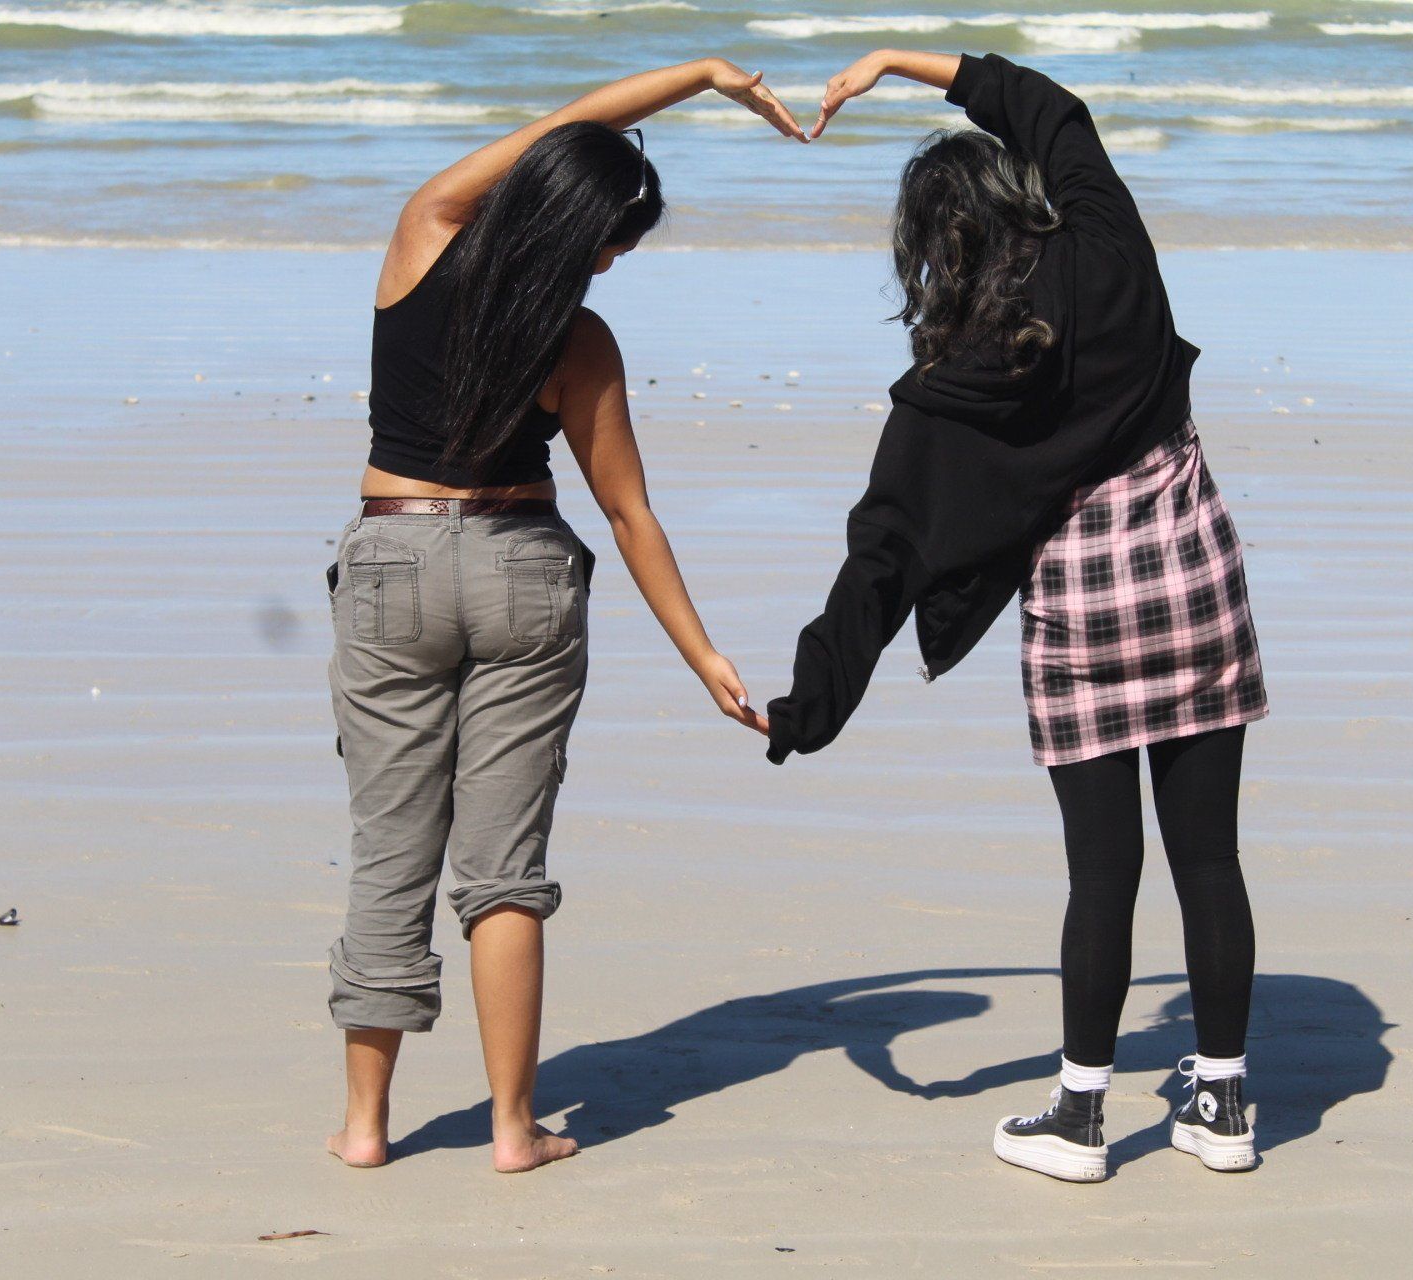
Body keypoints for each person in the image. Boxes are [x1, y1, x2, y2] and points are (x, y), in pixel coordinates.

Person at [769, 51, 1270, 1181]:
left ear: (931, 252)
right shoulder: (1107, 247)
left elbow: (882, 556)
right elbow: (1058, 109)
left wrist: (809, 703)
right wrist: (912, 61)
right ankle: (1225, 1103)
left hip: (1086, 620)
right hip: (1193, 581)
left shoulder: (950, 386)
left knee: (1104, 872)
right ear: (1023, 194)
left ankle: (1085, 1114)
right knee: (1210, 858)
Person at [324, 59, 797, 1174]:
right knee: (504, 868)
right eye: (616, 238)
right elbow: (628, 513)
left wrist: (700, 79)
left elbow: (560, 126)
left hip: (391, 556)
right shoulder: (578, 341)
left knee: (390, 849)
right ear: (583, 229)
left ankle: (363, 1126)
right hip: (523, 575)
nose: (615, 258)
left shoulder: (424, 232)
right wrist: (704, 655)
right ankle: (510, 1127)